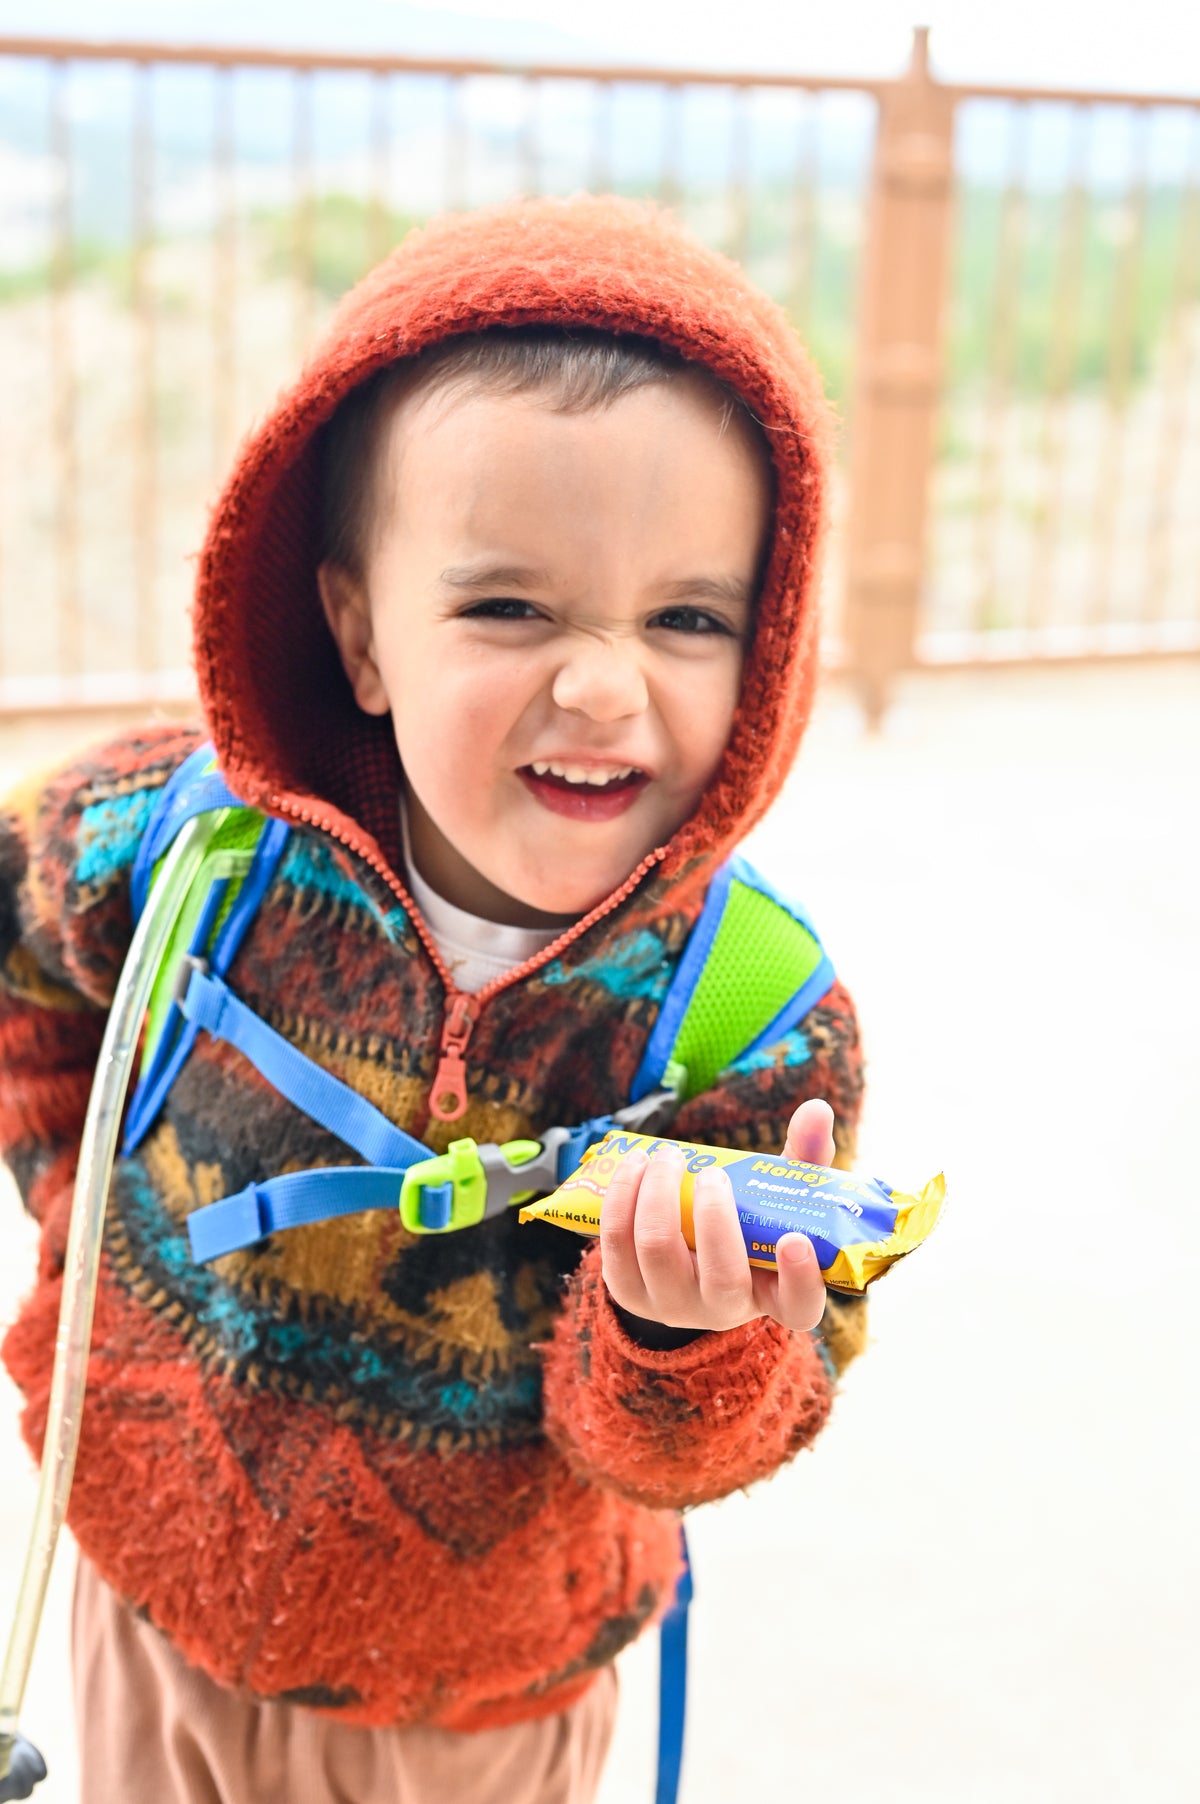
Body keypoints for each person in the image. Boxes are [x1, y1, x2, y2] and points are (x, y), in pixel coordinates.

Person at [0, 196, 866, 1804]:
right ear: (358, 632)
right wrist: (76, 1190)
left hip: (477, 1710)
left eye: (688, 616)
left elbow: (713, 1431)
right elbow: (18, 954)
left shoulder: (747, 1015)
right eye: (510, 607)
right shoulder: (180, 839)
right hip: (147, 1605)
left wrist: (682, 1348)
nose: (604, 682)